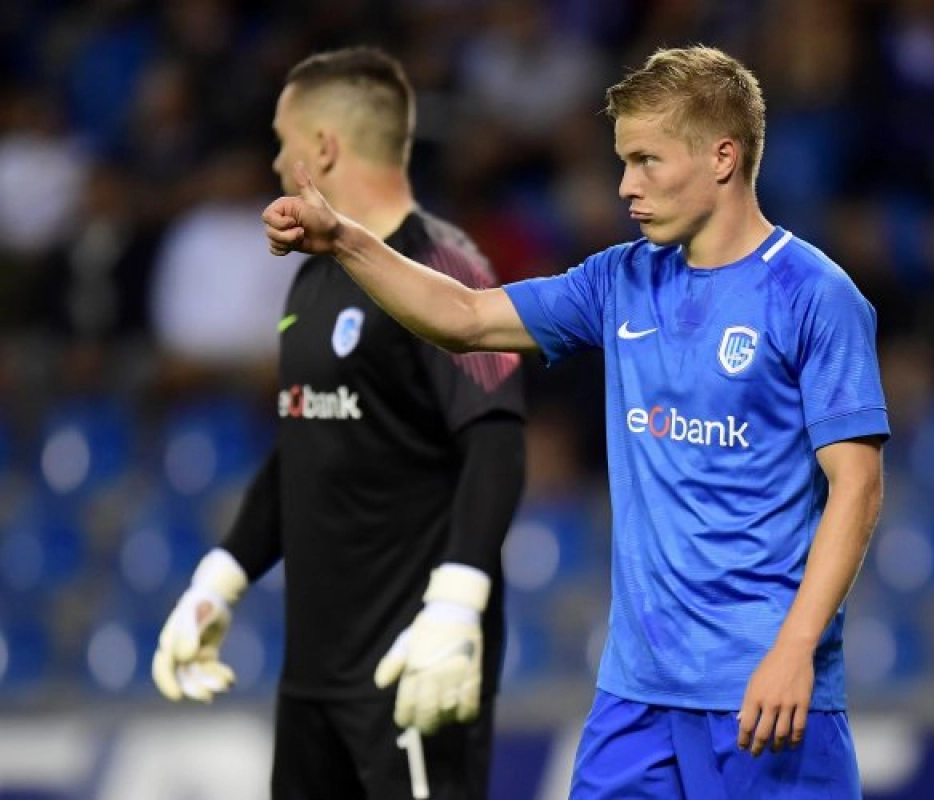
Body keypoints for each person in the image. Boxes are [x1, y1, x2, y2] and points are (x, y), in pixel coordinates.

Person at [263, 45, 887, 799]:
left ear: (723, 157)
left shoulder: (813, 295)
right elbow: (464, 317)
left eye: (647, 161)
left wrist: (795, 648)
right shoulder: (620, 279)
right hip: (638, 695)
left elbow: (856, 486)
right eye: (623, 162)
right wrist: (347, 241)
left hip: (764, 689)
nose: (626, 185)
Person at [152, 47, 526, 800]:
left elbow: (496, 438)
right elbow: (304, 440)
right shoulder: (314, 274)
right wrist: (216, 583)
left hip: (410, 668)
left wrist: (456, 603)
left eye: (284, 138)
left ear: (323, 147)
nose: (278, 158)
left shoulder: (447, 270)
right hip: (312, 679)